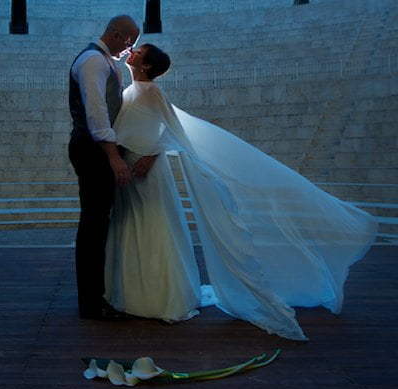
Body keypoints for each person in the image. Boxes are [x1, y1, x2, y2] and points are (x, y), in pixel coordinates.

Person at [103, 44, 378, 340]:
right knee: (132, 223)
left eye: (139, 51)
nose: (132, 51)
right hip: (129, 166)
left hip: (147, 169)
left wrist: (151, 155)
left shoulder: (152, 92)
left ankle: (161, 297)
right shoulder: (130, 91)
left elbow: (171, 129)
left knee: (154, 224)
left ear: (146, 65)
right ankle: (134, 291)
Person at [68, 14, 141, 320]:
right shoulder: (93, 61)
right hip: (93, 149)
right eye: (128, 42)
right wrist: (113, 155)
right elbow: (97, 112)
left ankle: (96, 297)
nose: (129, 49)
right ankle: (91, 303)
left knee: (98, 224)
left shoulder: (105, 61)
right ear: (114, 34)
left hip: (96, 148)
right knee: (93, 226)